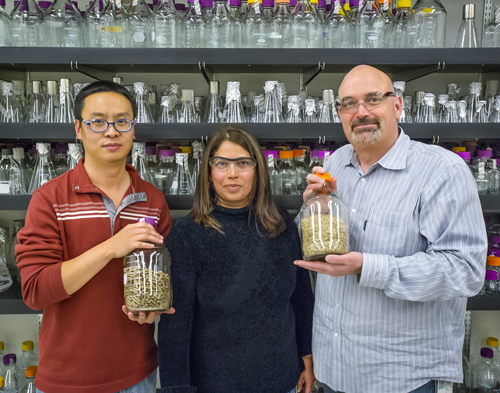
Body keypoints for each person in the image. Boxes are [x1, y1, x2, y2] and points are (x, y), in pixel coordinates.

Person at [295, 65, 488, 393]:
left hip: (399, 377)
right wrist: (312, 209)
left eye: (373, 99)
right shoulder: (335, 163)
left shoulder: (441, 172)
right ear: (339, 112)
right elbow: (316, 237)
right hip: (333, 367)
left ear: (397, 105)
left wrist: (368, 267)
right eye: (349, 103)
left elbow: (465, 271)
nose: (361, 112)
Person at [16, 81, 173, 393]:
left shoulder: (153, 201)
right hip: (67, 377)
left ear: (133, 128)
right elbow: (35, 291)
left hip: (137, 373)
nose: (111, 132)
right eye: (98, 121)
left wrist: (152, 308)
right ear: (78, 128)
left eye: (122, 121)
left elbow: (159, 276)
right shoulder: (49, 199)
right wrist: (110, 249)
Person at [157, 126, 315, 393]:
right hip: (215, 384)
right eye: (221, 164)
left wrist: (307, 358)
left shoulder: (281, 224)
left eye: (243, 163)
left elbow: (301, 298)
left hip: (284, 379)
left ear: (257, 170)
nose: (232, 174)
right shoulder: (187, 235)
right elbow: (175, 325)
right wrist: (177, 388)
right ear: (208, 172)